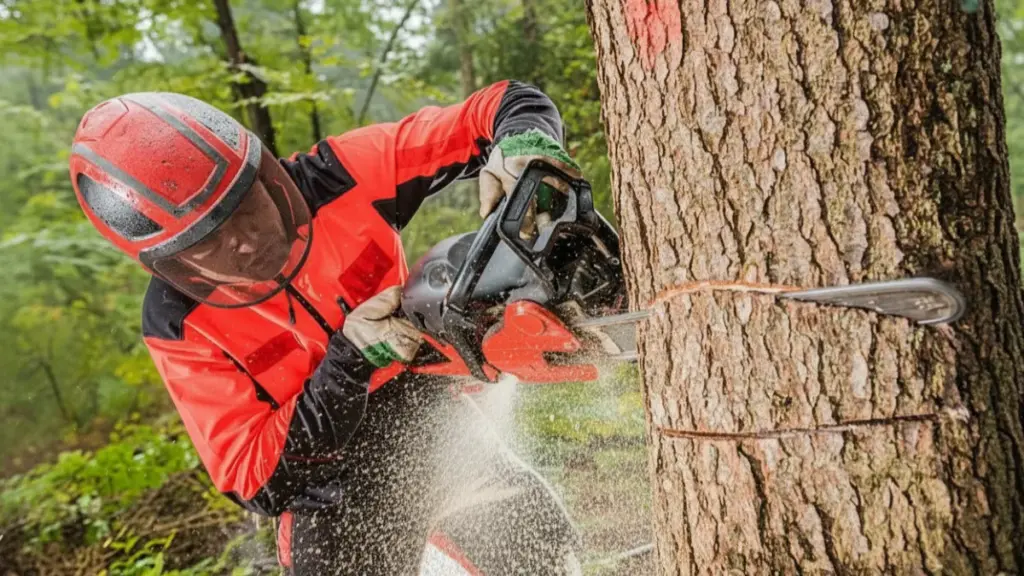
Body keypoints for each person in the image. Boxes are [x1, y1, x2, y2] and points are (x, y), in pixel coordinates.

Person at [67, 80, 586, 574]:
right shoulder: (179, 322)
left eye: (244, 208)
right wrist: (351, 359)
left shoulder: (338, 176)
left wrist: (524, 145)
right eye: (209, 241)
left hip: (433, 417)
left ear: (262, 174)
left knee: (544, 544)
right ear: (173, 260)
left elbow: (500, 105)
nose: (243, 240)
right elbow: (255, 478)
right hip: (330, 483)